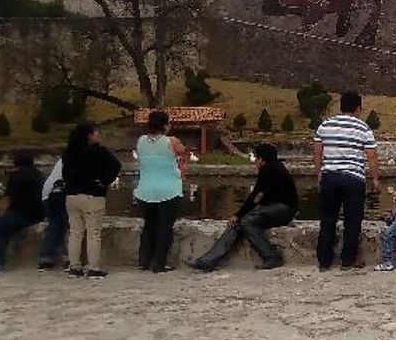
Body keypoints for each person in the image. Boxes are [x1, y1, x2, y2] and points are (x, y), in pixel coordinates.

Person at [191, 143, 297, 272]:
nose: (255, 162)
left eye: (256, 158)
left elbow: (254, 197)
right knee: (238, 224)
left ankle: (271, 256)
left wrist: (238, 214)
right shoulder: (274, 168)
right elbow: (258, 197)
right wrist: (240, 215)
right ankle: (208, 260)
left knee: (246, 221)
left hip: (283, 209)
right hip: (276, 209)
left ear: (262, 160)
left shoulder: (270, 170)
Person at [313, 91, 379, 270]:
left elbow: (318, 152)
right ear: (358, 108)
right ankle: (347, 260)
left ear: (340, 106)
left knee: (327, 219)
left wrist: (319, 173)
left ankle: (324, 261)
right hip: (354, 179)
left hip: (330, 177)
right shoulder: (363, 128)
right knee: (353, 220)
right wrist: (375, 179)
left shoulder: (325, 125)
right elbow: (371, 156)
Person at [62, 123, 121, 279]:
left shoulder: (69, 153)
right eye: (96, 132)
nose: (98, 135)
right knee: (93, 233)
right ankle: (93, 267)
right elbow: (116, 166)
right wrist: (105, 180)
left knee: (75, 233)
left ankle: (74, 267)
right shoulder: (99, 152)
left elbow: (65, 174)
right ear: (89, 135)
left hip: (72, 195)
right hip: (93, 196)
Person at [134, 110, 186, 274]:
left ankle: (144, 260)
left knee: (149, 226)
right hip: (168, 190)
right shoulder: (171, 141)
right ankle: (159, 263)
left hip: (145, 190)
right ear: (165, 125)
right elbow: (182, 151)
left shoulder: (141, 141)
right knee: (164, 228)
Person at [0, 150, 45, 274]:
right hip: (37, 215)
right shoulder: (39, 174)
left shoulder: (17, 176)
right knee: (1, 225)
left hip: (22, 215)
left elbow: (7, 199)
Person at [36, 156, 69, 270]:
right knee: (64, 225)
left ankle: (47, 256)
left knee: (56, 225)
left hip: (48, 194)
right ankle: (64, 256)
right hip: (57, 195)